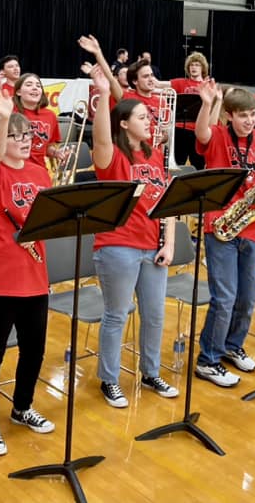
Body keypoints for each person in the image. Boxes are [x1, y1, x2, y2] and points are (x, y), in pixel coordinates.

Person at [0, 90, 55, 457]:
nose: (23, 141)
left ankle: (22, 407)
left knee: (34, 350)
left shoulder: (39, 172)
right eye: (14, 136)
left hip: (34, 274)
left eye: (27, 135)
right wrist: (4, 117)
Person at [87, 64, 178, 407]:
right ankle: (109, 379)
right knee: (117, 314)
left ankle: (150, 372)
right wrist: (101, 95)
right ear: (124, 123)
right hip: (118, 246)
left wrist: (168, 243)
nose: (149, 121)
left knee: (154, 315)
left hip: (152, 247)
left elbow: (165, 200)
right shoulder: (111, 155)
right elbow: (99, 137)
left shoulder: (154, 155)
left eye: (148, 117)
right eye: (141, 117)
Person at [192, 80, 255, 386]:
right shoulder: (217, 135)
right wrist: (206, 103)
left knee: (247, 297)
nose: (249, 121)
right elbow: (201, 133)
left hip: (251, 225)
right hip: (220, 225)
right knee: (224, 297)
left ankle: (231, 345)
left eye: (252, 115)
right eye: (242, 116)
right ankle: (208, 359)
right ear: (229, 116)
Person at [160, 51, 210, 169]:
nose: (194, 67)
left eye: (197, 65)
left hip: (198, 130)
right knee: (177, 163)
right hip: (179, 128)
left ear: (203, 68)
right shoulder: (180, 82)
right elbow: (158, 84)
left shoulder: (207, 86)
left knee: (198, 164)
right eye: (191, 65)